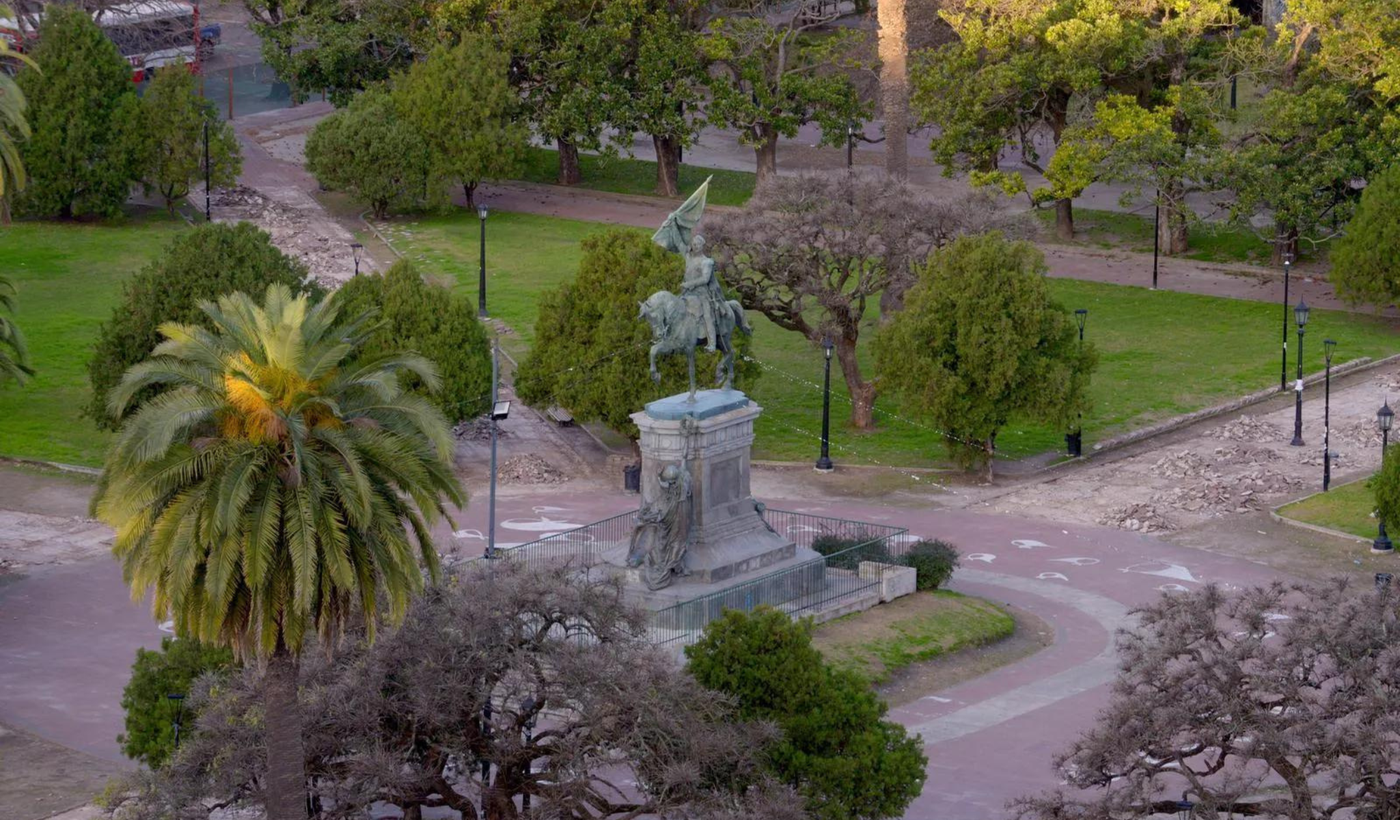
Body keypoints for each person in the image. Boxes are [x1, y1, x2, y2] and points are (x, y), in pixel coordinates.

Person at [681, 235, 725, 353]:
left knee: (707, 316)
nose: (695, 247)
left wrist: (690, 283)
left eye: (698, 244)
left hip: (702, 293)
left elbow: (705, 279)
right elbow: (680, 243)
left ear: (702, 246)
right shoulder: (688, 257)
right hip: (687, 292)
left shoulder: (706, 262)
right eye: (694, 244)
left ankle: (712, 343)